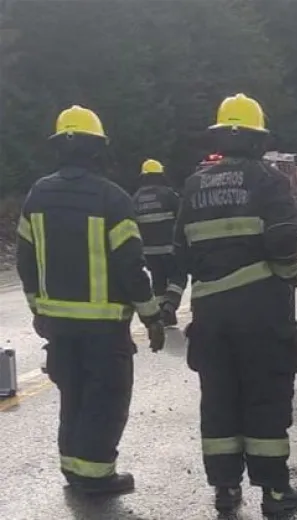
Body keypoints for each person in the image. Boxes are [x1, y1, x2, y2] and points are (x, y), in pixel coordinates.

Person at [166, 93, 297, 516]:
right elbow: (283, 240)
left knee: (219, 400)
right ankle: (275, 493)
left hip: (210, 316)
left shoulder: (193, 185)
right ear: (257, 139)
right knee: (265, 397)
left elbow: (179, 252)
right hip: (260, 312)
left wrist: (169, 299)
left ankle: (225, 488)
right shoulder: (268, 180)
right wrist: (288, 275)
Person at [15, 105, 164, 494]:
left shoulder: (38, 195)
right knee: (105, 399)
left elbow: (25, 260)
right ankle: (96, 477)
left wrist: (37, 308)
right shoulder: (112, 199)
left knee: (73, 396)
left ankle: (73, 468)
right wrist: (151, 316)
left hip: (58, 326)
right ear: (97, 149)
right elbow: (131, 267)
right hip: (104, 328)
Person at [132, 158, 181, 326]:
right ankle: (170, 305)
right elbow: (182, 217)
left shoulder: (136, 198)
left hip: (148, 251)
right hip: (170, 248)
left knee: (158, 281)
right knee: (178, 276)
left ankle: (164, 314)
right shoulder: (168, 194)